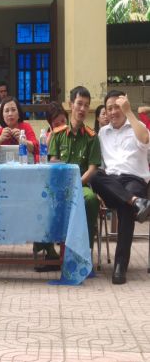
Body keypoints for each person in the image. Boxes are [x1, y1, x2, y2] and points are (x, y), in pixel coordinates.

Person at [90, 91, 150, 285]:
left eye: (117, 107)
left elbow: (145, 139)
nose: (113, 111)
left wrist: (130, 112)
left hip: (134, 180)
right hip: (112, 183)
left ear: (124, 106)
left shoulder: (136, 126)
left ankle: (120, 267)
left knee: (125, 207)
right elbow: (96, 163)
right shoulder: (103, 133)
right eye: (109, 108)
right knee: (96, 176)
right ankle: (137, 203)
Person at [48, 86, 101, 272]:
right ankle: (48, 251)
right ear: (71, 105)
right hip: (59, 184)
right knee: (45, 197)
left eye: (86, 105)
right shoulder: (57, 134)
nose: (82, 109)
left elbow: (93, 168)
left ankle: (85, 252)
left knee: (90, 199)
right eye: (79, 104)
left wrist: (77, 183)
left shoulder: (92, 137)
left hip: (81, 184)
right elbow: (52, 161)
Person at [0, 96, 39, 163]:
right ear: (2, 116)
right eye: (6, 111)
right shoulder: (1, 131)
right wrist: (1, 138)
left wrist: (23, 140)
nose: (10, 114)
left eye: (13, 110)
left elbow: (35, 148)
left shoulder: (26, 127)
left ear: (19, 113)